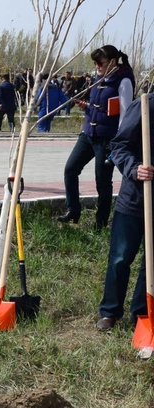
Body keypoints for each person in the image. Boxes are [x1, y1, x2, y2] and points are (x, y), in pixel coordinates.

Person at [59, 46, 135, 228]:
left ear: (112, 62)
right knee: (70, 170)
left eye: (99, 63)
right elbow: (99, 106)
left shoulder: (123, 81)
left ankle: (100, 222)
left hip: (107, 138)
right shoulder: (97, 79)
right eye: (95, 63)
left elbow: (126, 115)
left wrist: (118, 143)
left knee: (102, 180)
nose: (97, 66)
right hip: (88, 134)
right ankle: (73, 210)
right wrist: (87, 107)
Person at [95, 94, 153, 332]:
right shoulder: (145, 105)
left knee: (151, 263)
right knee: (120, 259)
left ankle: (141, 312)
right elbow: (118, 146)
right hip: (135, 199)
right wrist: (134, 168)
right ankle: (110, 312)